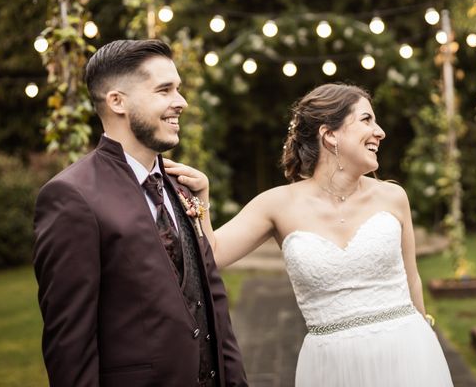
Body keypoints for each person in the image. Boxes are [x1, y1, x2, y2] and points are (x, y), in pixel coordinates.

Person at [166, 83, 453, 386]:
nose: (380, 132)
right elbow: (214, 254)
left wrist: (426, 343)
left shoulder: (393, 197)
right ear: (330, 135)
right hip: (330, 366)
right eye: (367, 120)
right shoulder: (276, 204)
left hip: (408, 355)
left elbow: (413, 280)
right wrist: (203, 201)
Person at [33, 39, 247, 387]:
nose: (181, 102)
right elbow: (70, 347)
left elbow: (215, 309)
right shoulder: (72, 197)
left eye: (178, 89)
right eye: (165, 90)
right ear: (117, 101)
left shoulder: (182, 186)